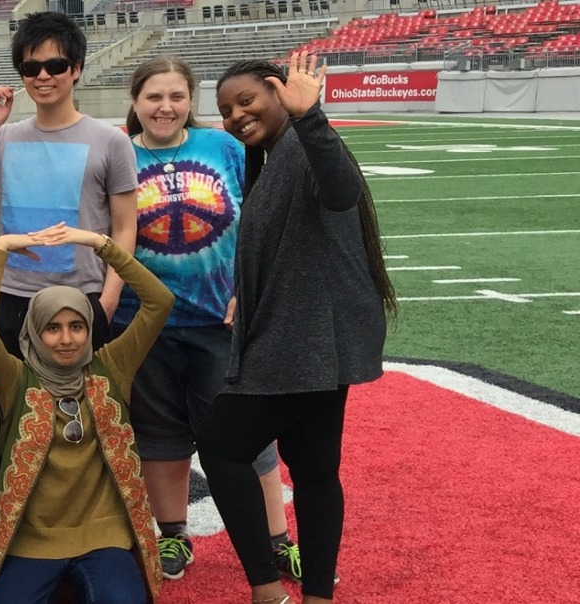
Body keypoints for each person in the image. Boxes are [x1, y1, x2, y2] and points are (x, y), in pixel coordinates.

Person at [201, 53, 394, 604]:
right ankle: (315, 597)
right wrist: (248, 291)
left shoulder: (304, 145)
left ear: (278, 92)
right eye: (226, 109)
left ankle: (266, 590)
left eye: (247, 100)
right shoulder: (271, 155)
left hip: (304, 341)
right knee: (313, 469)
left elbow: (341, 189)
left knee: (221, 446)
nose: (237, 115)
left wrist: (311, 117)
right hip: (315, 338)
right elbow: (285, 244)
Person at [117, 55, 296, 583]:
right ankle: (173, 534)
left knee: (248, 436)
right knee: (160, 436)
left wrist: (251, 288)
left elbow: (262, 220)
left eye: (175, 96)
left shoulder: (224, 147)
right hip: (145, 322)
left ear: (189, 100)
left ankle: (277, 539)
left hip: (222, 319)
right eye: (154, 96)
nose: (165, 107)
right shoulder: (118, 153)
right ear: (135, 101)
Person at [0, 225, 173, 603]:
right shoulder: (16, 378)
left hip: (104, 534)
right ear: (34, 332)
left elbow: (159, 303)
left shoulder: (112, 366)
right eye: (53, 328)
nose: (67, 339)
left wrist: (102, 245)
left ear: (89, 328)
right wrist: (0, 248)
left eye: (77, 326)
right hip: (32, 538)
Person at [0, 11, 139, 359]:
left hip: (81, 297)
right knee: (15, 409)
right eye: (30, 68)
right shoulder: (5, 136)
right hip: (11, 297)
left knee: (82, 407)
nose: (42, 76)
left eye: (55, 65)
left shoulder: (110, 141)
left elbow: (126, 227)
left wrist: (109, 299)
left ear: (76, 68)